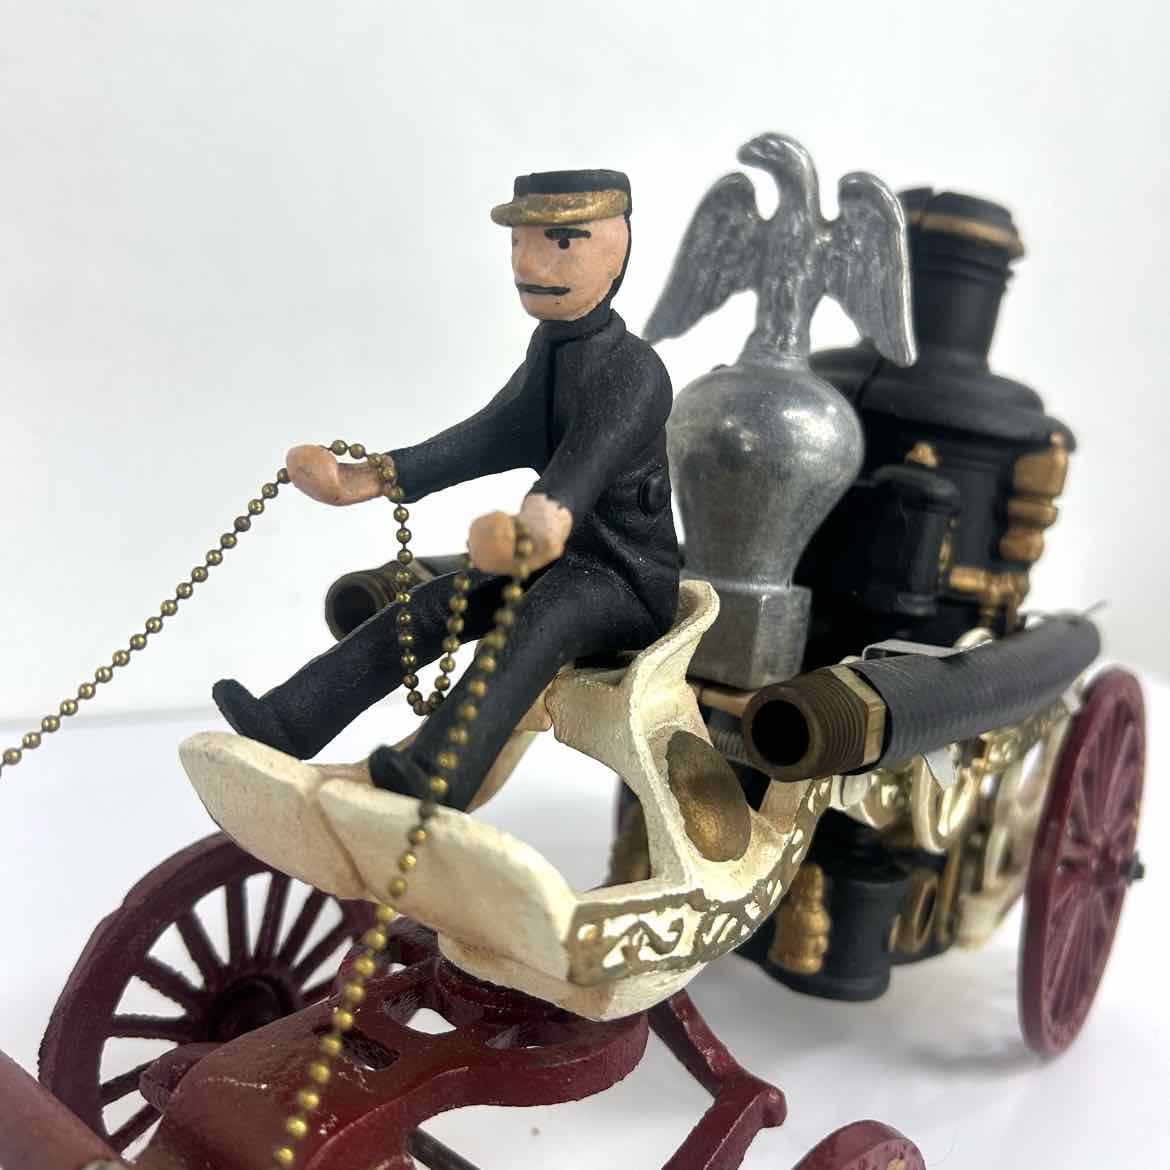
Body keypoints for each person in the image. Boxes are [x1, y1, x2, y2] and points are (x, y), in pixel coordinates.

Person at [213, 168, 680, 809]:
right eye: (518, 243)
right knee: (429, 607)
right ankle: (287, 722)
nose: (528, 264)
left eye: (560, 242)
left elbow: (579, 471)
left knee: (529, 624)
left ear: (616, 250)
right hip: (559, 562)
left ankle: (438, 774)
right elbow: (486, 436)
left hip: (624, 580)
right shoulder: (552, 351)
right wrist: (362, 479)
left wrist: (530, 535)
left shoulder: (635, 373)